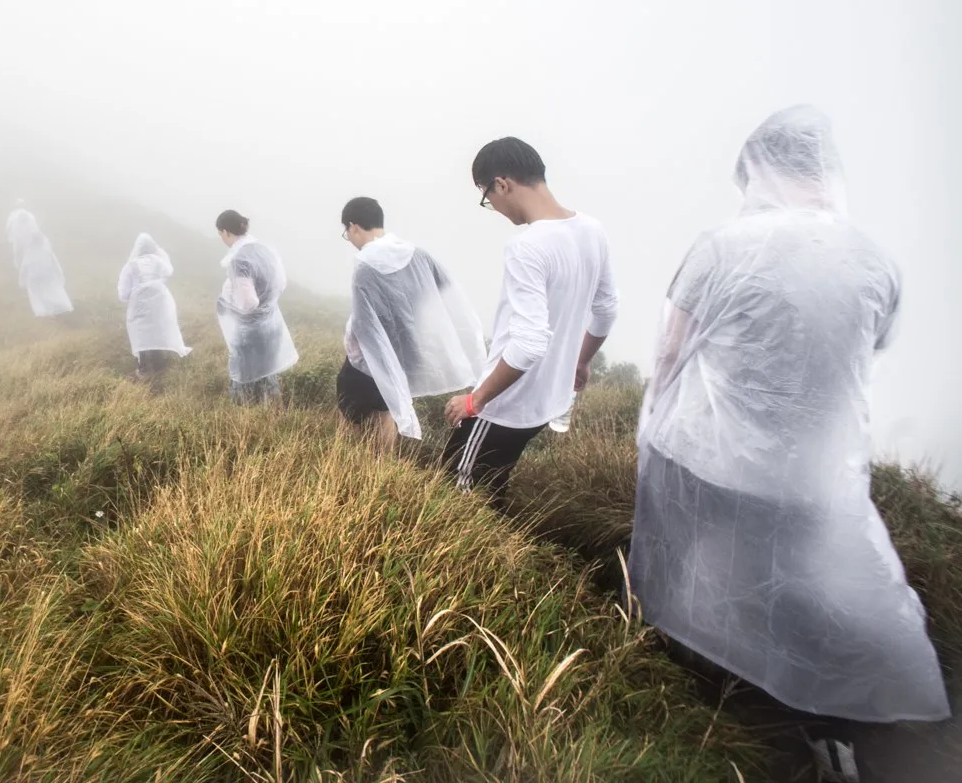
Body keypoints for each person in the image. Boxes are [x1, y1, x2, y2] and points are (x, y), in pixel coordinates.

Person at [627, 106, 949, 781]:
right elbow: (868, 351)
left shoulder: (720, 246)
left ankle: (695, 704)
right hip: (811, 478)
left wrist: (652, 429)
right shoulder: (874, 259)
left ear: (758, 171)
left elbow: (672, 351)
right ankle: (827, 735)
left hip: (709, 460)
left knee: (701, 577)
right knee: (804, 598)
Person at [442, 137, 618, 506]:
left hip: (505, 405)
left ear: (501, 183)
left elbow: (529, 343)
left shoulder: (528, 245)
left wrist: (476, 401)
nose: (496, 207)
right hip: (547, 400)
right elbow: (606, 310)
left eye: (488, 198)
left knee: (453, 499)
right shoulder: (591, 230)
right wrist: (581, 361)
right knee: (491, 488)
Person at [337, 197, 485, 452]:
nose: (349, 239)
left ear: (353, 226)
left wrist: (354, 348)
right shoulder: (417, 253)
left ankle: (352, 462)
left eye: (346, 233)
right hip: (411, 349)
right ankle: (381, 466)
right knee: (384, 407)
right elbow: (448, 293)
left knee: (349, 403)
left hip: (374, 354)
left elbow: (364, 322)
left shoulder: (365, 263)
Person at [215, 210, 298, 405]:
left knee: (245, 381)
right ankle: (274, 418)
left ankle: (246, 425)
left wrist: (227, 304)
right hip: (270, 324)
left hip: (249, 331)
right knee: (268, 376)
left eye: (220, 234)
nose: (221, 239)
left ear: (226, 232)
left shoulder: (239, 260)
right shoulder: (265, 249)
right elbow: (281, 282)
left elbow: (247, 303)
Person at [118, 233, 192, 380]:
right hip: (161, 301)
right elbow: (169, 272)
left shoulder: (130, 266)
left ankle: (144, 369)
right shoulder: (159, 261)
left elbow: (123, 294)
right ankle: (160, 366)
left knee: (141, 333)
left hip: (139, 303)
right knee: (159, 329)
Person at [5, 203, 73, 317]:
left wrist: (22, 281)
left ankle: (44, 310)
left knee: (38, 293)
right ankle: (61, 305)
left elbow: (23, 267)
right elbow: (54, 262)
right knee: (53, 290)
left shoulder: (30, 253)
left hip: (35, 277)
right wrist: (59, 273)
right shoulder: (44, 248)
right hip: (47, 275)